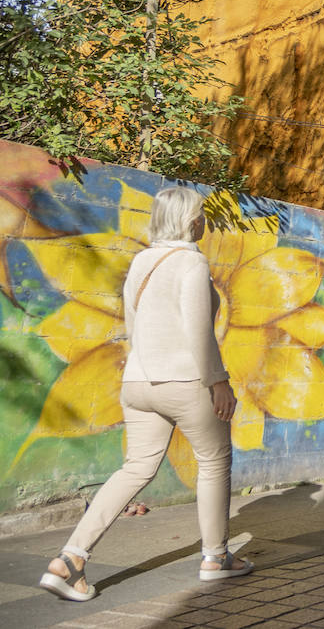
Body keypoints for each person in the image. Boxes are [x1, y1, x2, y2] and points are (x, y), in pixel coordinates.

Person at [39, 187, 253, 602]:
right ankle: (216, 557)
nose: (204, 221)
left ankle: (70, 559)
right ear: (192, 221)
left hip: (138, 382)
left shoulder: (141, 261)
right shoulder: (192, 262)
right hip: (186, 382)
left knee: (135, 469)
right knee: (213, 462)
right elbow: (198, 330)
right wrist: (218, 381)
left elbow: (135, 328)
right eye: (202, 215)